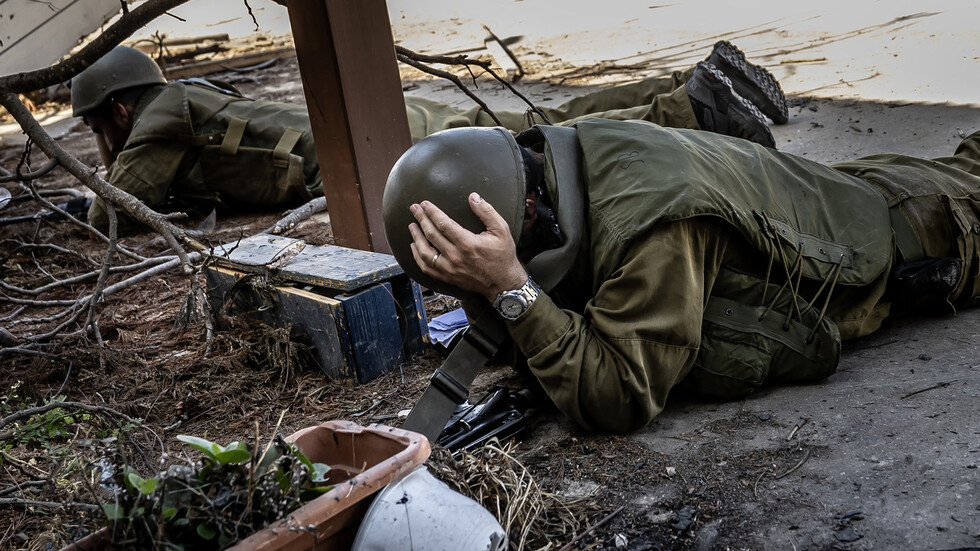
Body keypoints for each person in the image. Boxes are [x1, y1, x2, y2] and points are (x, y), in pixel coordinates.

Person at [382, 116, 980, 434]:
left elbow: (619, 395)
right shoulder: (558, 164)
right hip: (859, 192)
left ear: (521, 213)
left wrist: (510, 289)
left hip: (927, 227)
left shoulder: (651, 227)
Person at [72, 43, 786, 234]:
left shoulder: (161, 112)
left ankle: (695, 105)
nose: (103, 143)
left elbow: (117, 210)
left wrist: (86, 202)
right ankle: (695, 87)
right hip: (389, 125)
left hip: (374, 152)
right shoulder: (188, 101)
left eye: (99, 128)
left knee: (545, 149)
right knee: (536, 131)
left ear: (119, 113)